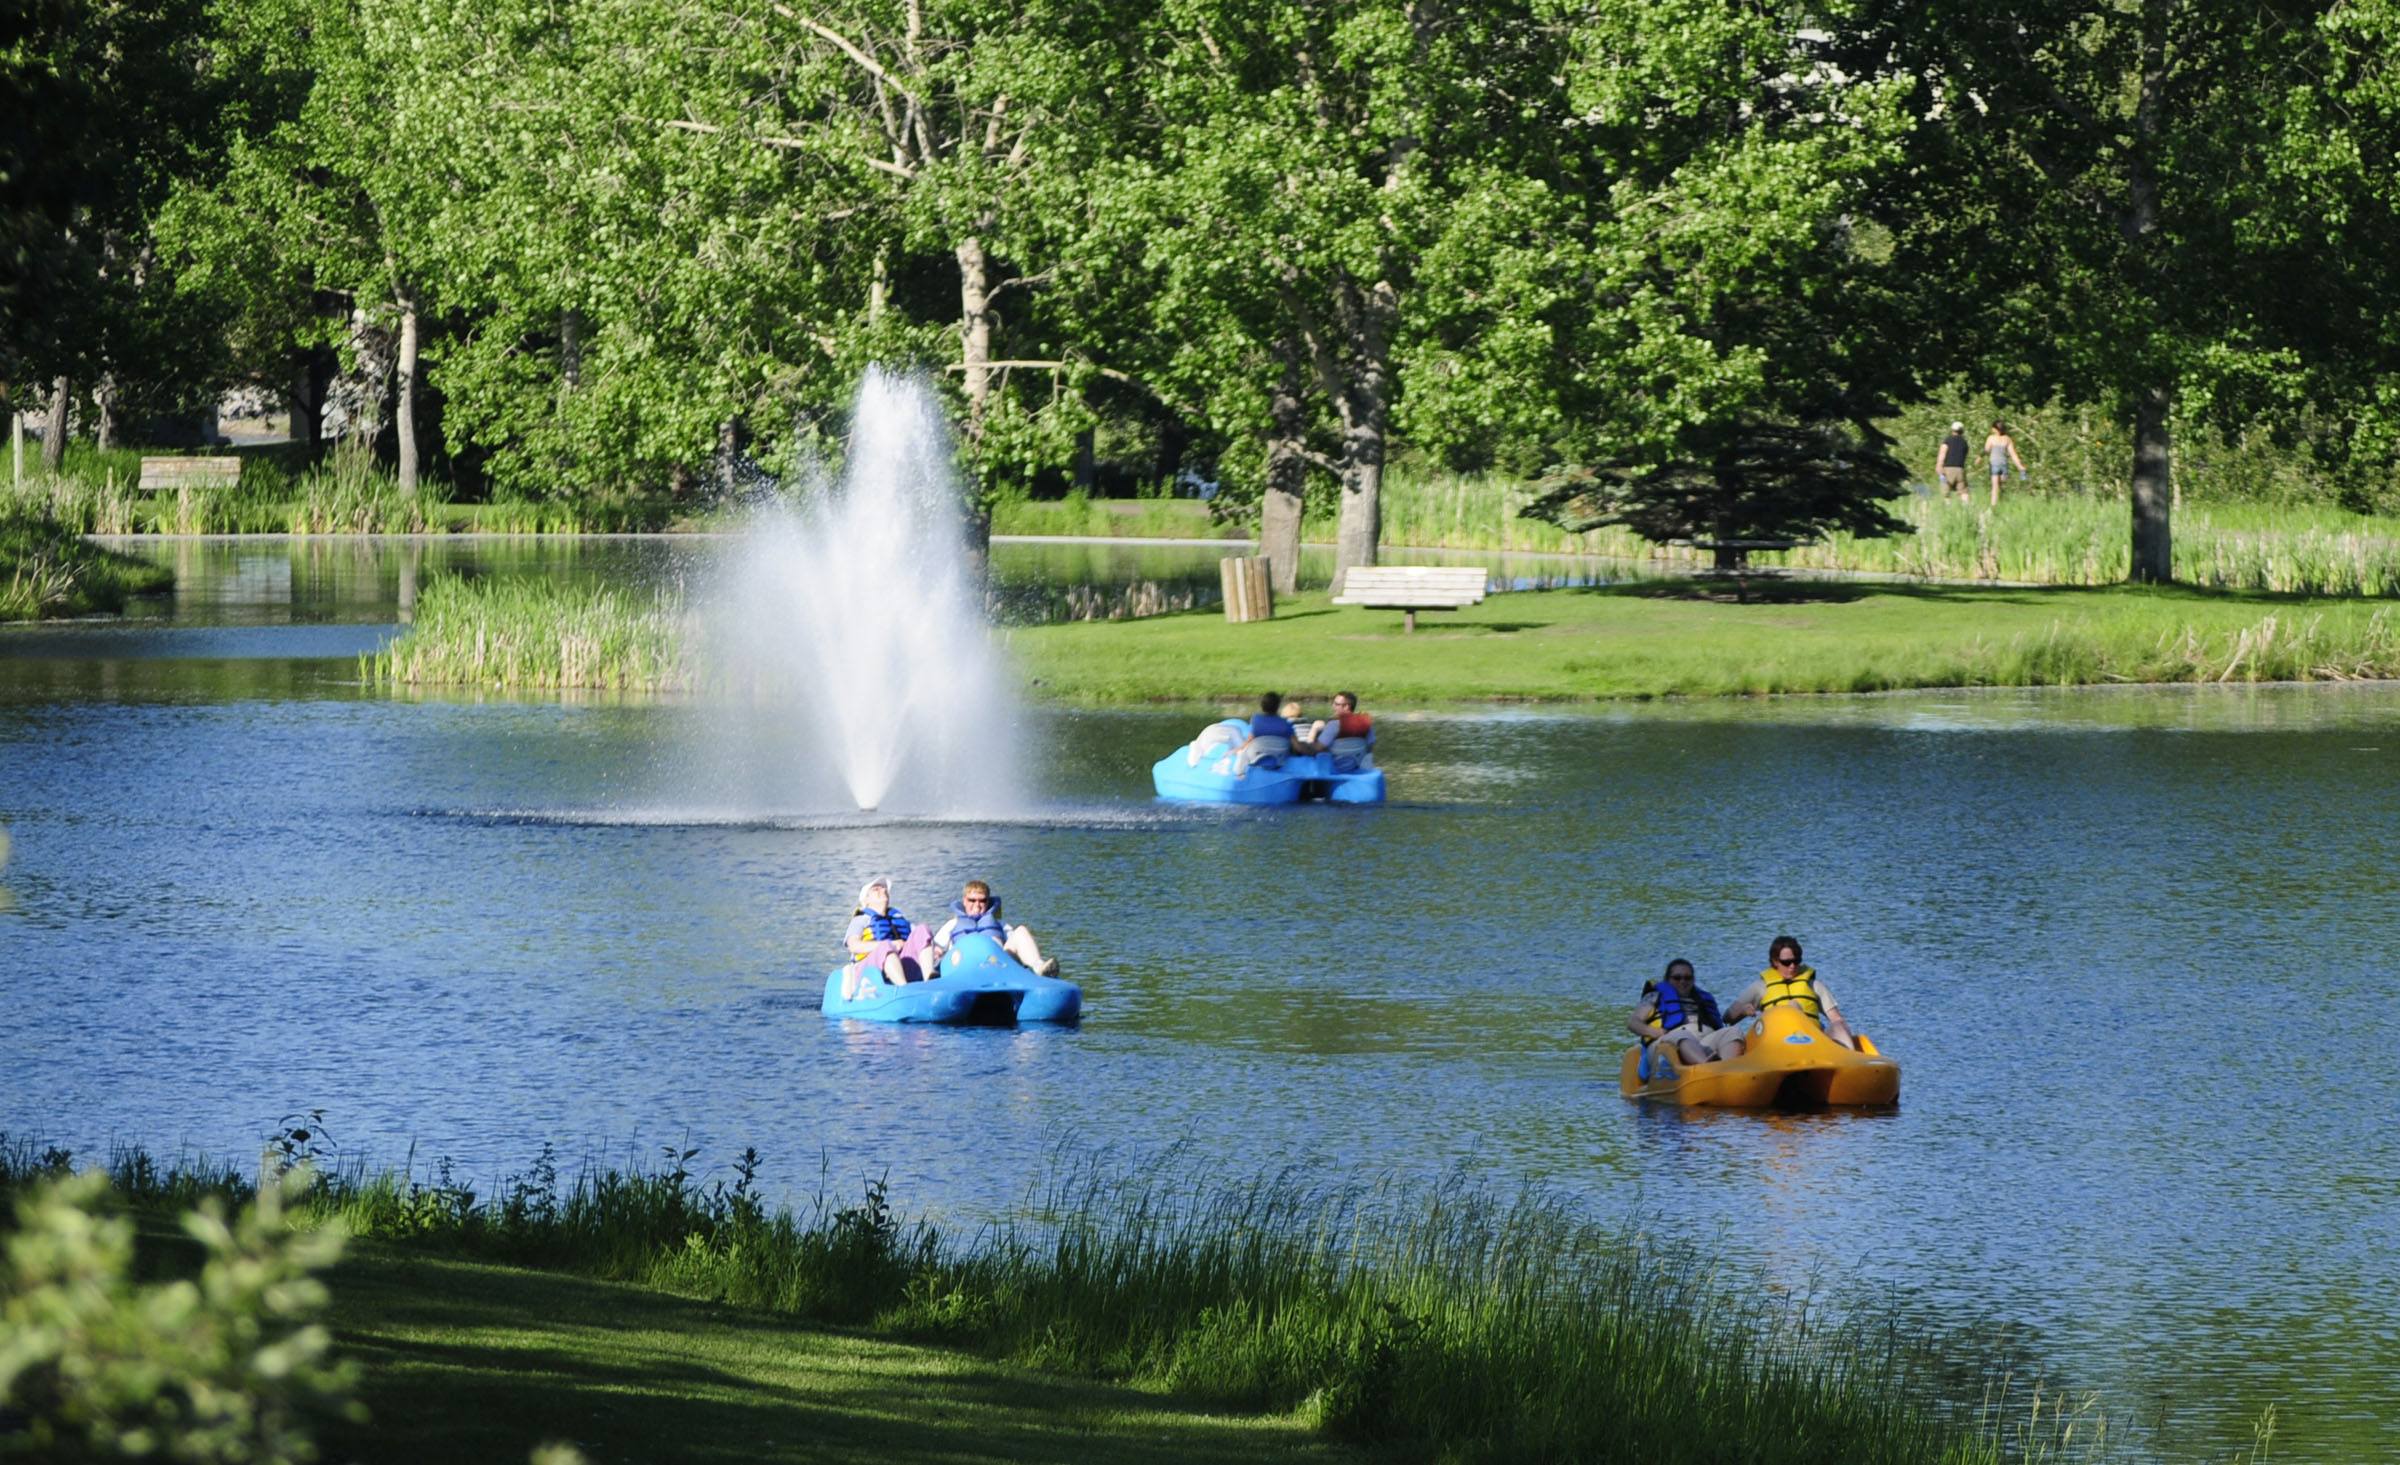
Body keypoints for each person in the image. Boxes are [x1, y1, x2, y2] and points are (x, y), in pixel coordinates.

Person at [1724, 935, 1858, 1051]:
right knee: (1793, 1007)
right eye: (1786, 962)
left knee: (1839, 1025)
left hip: (1812, 1042)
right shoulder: (1759, 987)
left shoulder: (1814, 985)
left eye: (1796, 961)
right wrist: (1743, 1010)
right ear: (1775, 962)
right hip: (1775, 1044)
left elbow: (1836, 1018)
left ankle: (1851, 1063)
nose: (1792, 966)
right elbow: (1727, 1018)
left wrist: (1840, 1030)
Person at [927, 879, 1061, 977]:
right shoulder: (953, 924)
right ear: (964, 901)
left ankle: (1039, 968)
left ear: (988, 902)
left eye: (982, 901)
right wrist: (937, 953)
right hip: (964, 966)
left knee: (1021, 931)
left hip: (996, 964)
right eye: (972, 900)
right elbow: (936, 947)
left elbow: (1017, 945)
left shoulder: (999, 924)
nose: (977, 905)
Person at [1627, 958, 1747, 1066]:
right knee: (1682, 1034)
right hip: (1668, 1044)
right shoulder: (1654, 996)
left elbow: (1722, 1022)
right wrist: (1654, 1032)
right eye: (1677, 978)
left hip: (1703, 1043)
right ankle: (1706, 1069)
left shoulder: (1703, 998)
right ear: (1667, 979)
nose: (1682, 981)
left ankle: (1727, 1070)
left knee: (1733, 1032)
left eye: (1687, 978)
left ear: (1693, 980)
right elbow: (1633, 1023)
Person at [841, 878, 931, 999]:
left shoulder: (899, 918)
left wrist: (934, 949)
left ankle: (930, 979)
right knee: (885, 946)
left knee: (922, 929)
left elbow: (922, 939)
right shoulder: (860, 920)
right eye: (876, 889)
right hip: (871, 970)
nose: (883, 890)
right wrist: (891, 944)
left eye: (884, 888)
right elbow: (853, 946)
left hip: (902, 964)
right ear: (866, 900)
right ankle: (904, 991)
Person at [1235, 691, 1295, 770]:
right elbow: (1295, 744)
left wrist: (1239, 749)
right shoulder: (1286, 723)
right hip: (1279, 758)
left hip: (1256, 755)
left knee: (1244, 752)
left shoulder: (1256, 719)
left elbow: (1250, 739)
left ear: (1262, 706)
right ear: (1277, 706)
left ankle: (1240, 773)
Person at [1983, 421, 2026, 506]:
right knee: (2002, 485)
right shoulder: (2007, 439)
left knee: (1995, 487)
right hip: (2004, 465)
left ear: (1995, 429)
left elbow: (1986, 450)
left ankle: (1993, 506)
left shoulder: (1991, 438)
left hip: (1994, 464)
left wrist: (1979, 458)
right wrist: (2020, 466)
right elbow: (2013, 454)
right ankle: (2002, 502)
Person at [1935, 421, 1971, 502]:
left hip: (1948, 469)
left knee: (1946, 493)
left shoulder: (1947, 440)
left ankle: (1948, 511)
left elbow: (1942, 453)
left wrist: (1939, 465)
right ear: (1962, 431)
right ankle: (1968, 509)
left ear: (1952, 430)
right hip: (1960, 469)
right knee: (1963, 491)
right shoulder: (1964, 442)